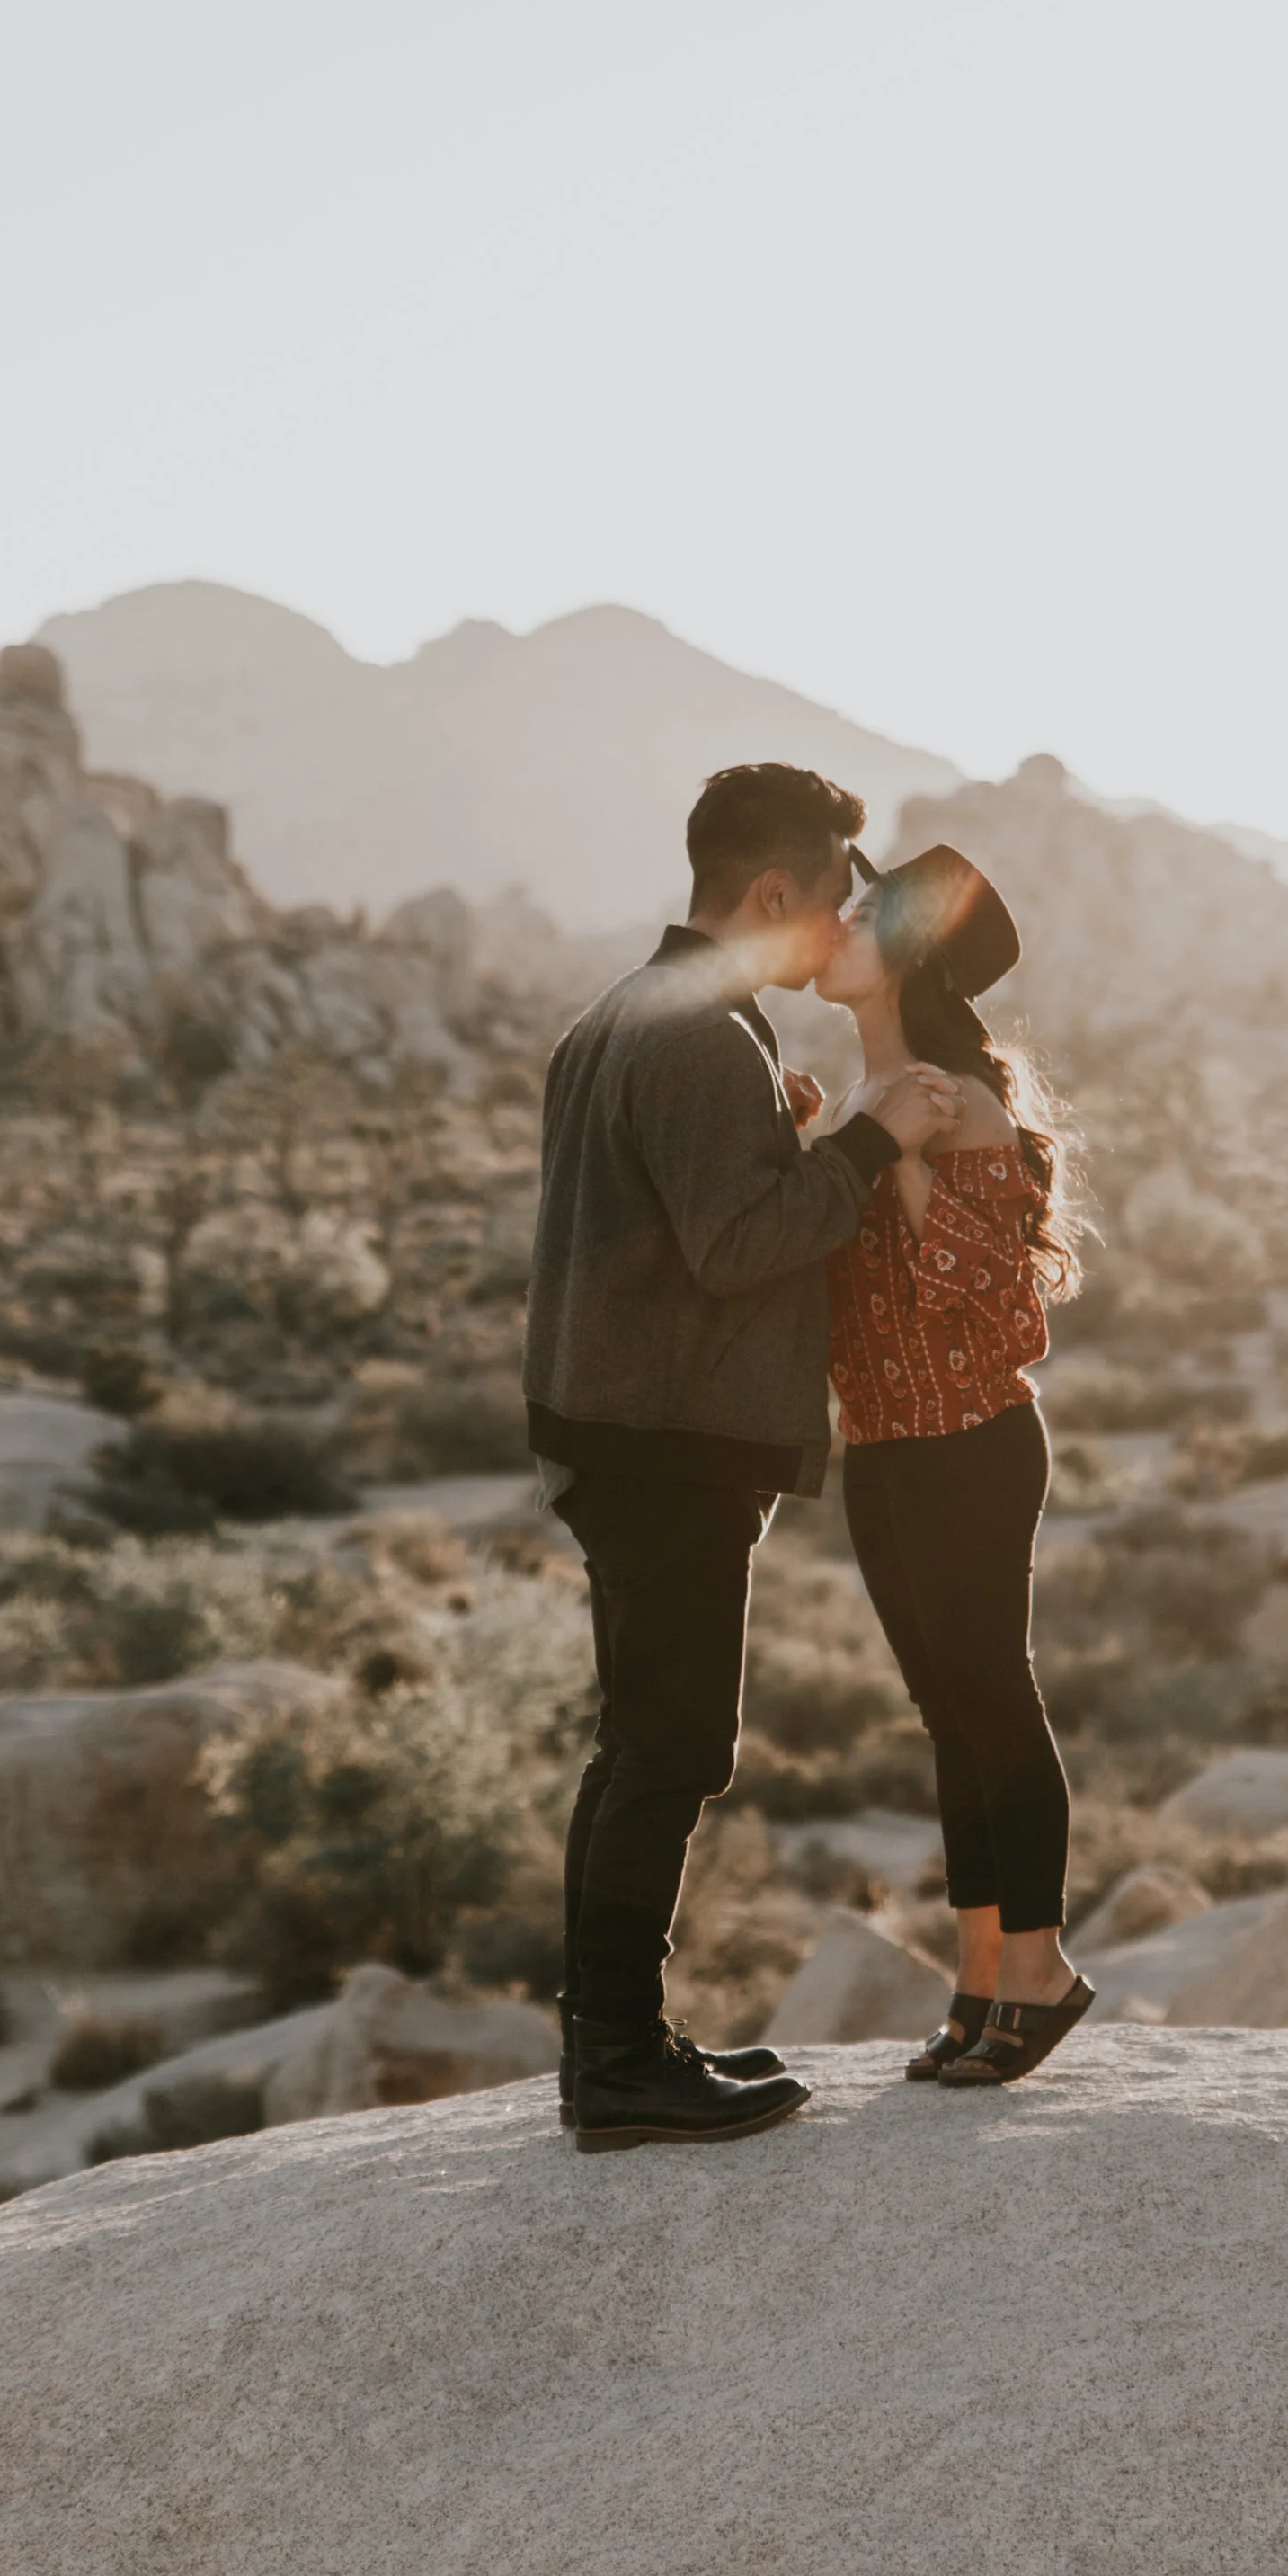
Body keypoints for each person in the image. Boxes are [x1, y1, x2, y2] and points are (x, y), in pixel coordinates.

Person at [524, 763, 964, 2153]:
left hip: (613, 1426)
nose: (845, 915)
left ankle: (614, 2047)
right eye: (835, 888)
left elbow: (668, 1220)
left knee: (641, 1745)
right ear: (772, 893)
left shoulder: (624, 1017)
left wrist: (776, 1133)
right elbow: (738, 1248)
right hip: (667, 1447)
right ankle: (617, 2064)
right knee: (671, 1750)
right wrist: (865, 1140)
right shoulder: (697, 1040)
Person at [815, 843, 1093, 2085]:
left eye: (865, 916)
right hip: (879, 1450)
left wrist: (910, 1161)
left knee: (992, 1692)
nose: (838, 924)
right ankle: (981, 1975)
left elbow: (975, 1307)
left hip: (974, 1444)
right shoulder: (861, 1096)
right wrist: (827, 1151)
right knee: (947, 1713)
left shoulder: (955, 1105)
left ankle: (1038, 1967)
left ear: (911, 961)